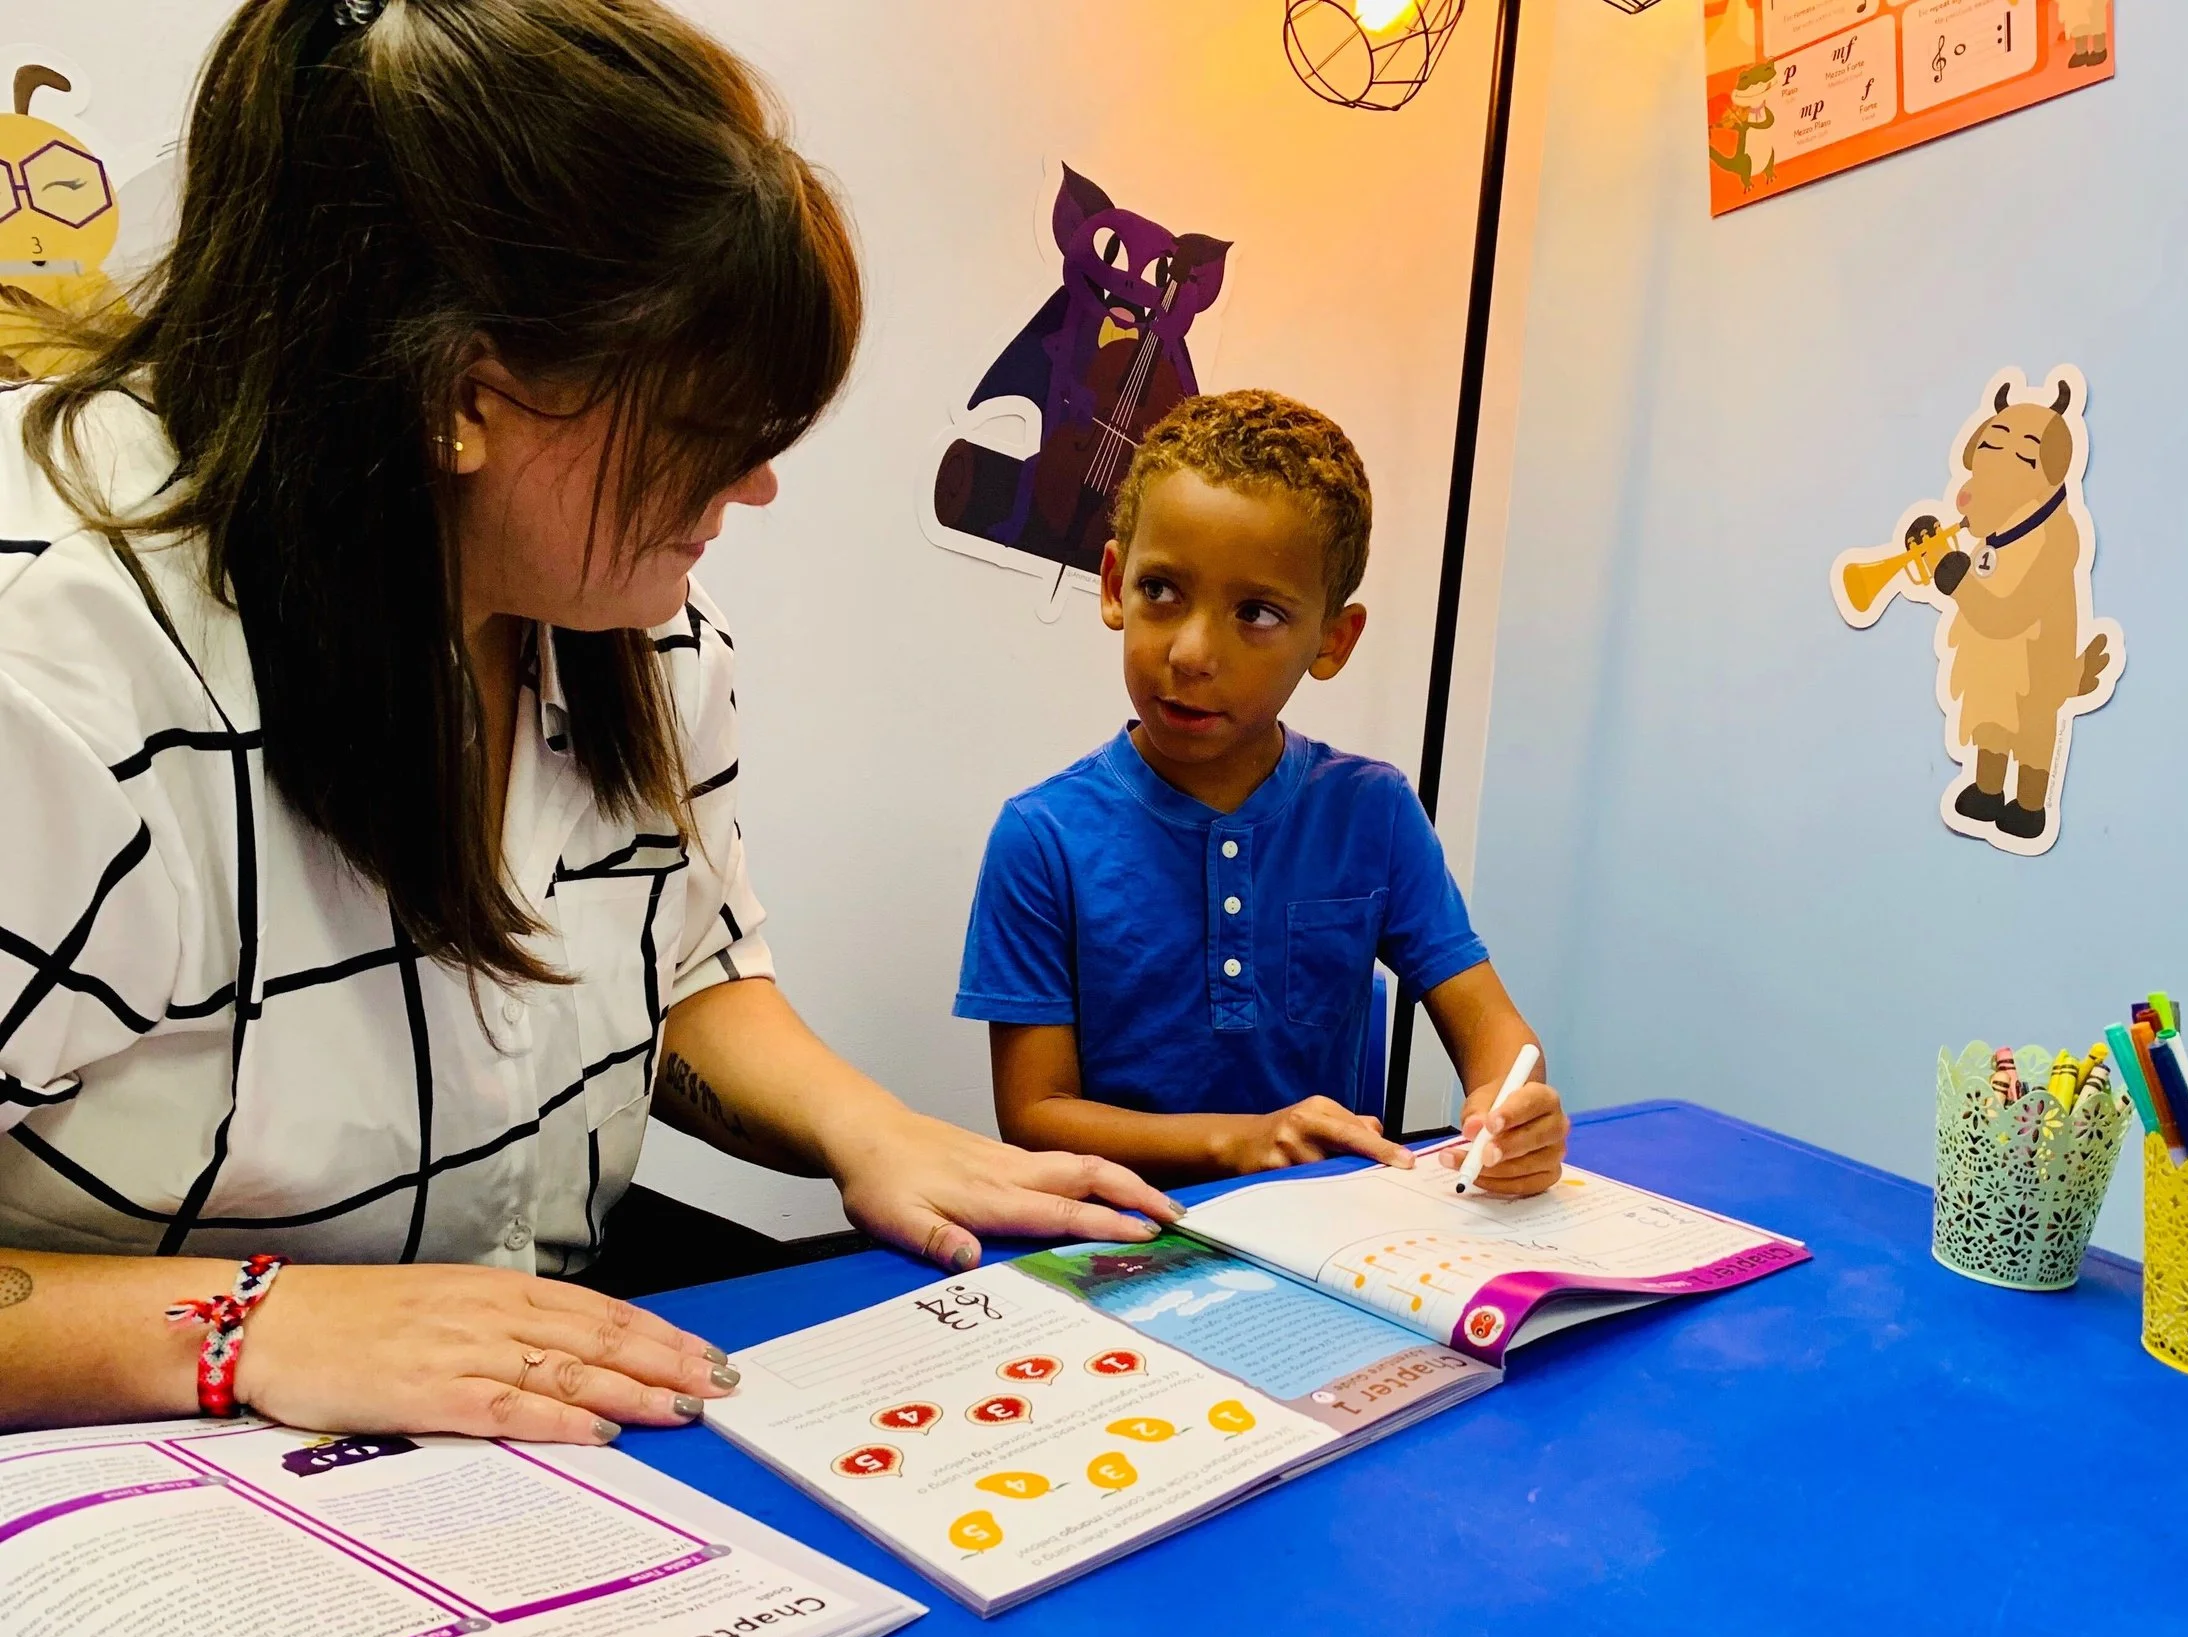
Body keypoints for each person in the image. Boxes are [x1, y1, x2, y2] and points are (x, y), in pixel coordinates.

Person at [0, 0, 1174, 1444]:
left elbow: (679, 968)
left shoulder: (636, 625)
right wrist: (253, 1316)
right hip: (145, 1454)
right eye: (713, 435)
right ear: (461, 401)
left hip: (515, 1388)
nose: (757, 492)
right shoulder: (57, 667)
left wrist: (866, 1126)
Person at [955, 389, 1568, 1192]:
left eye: (1257, 613)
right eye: (1162, 590)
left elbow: (1490, 1024)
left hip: (1337, 1247)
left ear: (1333, 640)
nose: (1193, 652)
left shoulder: (1373, 811)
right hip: (1125, 1237)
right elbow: (1035, 1113)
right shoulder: (1041, 839)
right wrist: (1242, 1142)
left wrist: (1511, 1107)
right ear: (1113, 583)